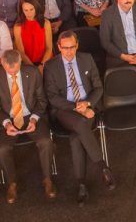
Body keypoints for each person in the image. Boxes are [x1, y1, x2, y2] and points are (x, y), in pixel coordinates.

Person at [43, 31, 116, 206]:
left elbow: (98, 87)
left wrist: (88, 103)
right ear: (59, 47)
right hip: (64, 110)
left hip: (88, 107)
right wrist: (77, 107)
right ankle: (103, 168)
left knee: (76, 137)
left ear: (77, 46)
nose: (69, 52)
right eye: (65, 48)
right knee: (80, 123)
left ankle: (81, 184)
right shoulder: (51, 66)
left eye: (72, 47)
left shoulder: (86, 59)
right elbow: (52, 97)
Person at [0, 49, 56, 203]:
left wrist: (33, 120)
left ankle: (47, 179)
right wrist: (6, 123)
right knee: (2, 149)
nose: (12, 74)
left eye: (16, 70)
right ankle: (12, 183)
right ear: (2, 64)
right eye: (9, 71)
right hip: (8, 119)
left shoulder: (32, 72)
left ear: (20, 63)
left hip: (31, 115)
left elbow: (42, 101)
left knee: (46, 142)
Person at [13, 0, 53, 67]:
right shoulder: (17, 27)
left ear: (36, 8)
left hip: (45, 61)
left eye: (31, 9)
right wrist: (33, 69)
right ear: (22, 10)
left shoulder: (46, 23)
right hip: (27, 63)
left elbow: (49, 48)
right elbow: (21, 52)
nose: (29, 13)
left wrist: (41, 65)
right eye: (26, 10)